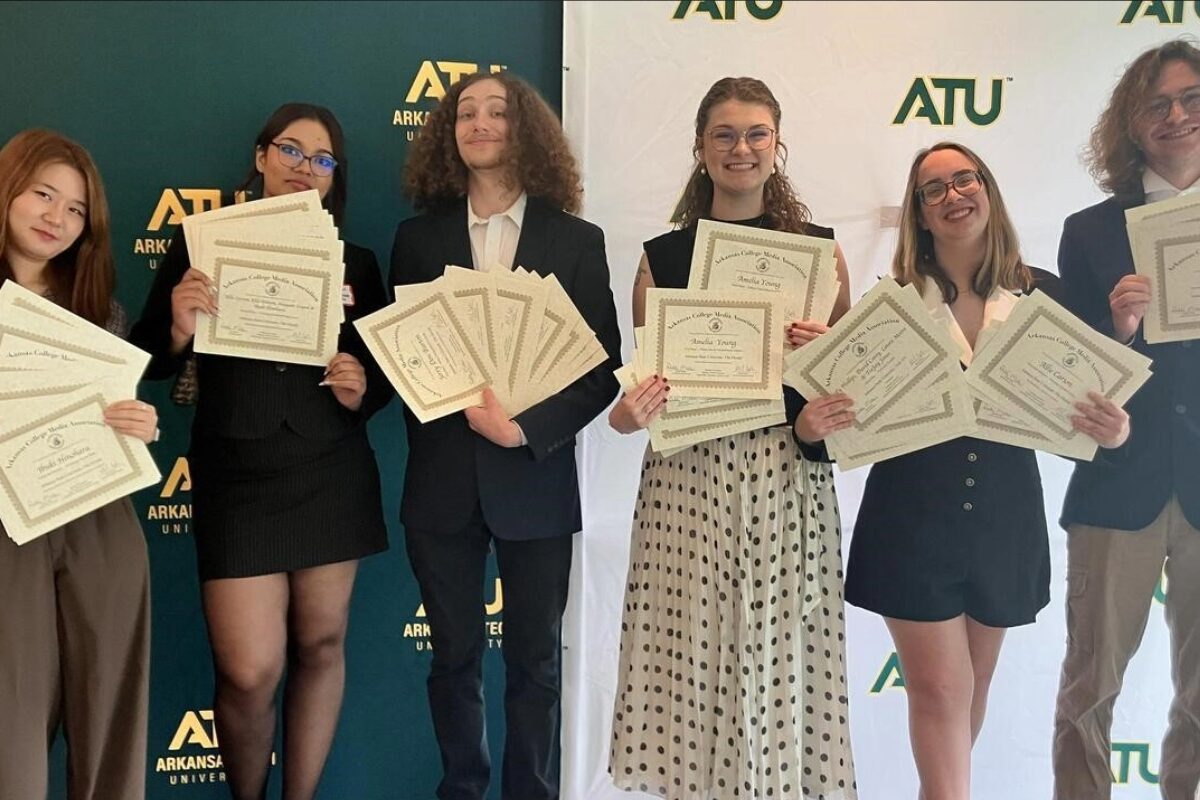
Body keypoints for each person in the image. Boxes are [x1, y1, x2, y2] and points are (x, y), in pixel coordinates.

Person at [840, 141, 1130, 800]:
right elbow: (846, 419)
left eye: (964, 180)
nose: (953, 196)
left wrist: (1113, 431)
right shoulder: (894, 303)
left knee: (970, 688)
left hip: (1004, 521)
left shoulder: (1043, 294)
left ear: (988, 191)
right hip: (910, 521)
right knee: (941, 690)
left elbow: (1078, 419)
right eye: (933, 189)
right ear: (919, 213)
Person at [606, 76, 858, 800]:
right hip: (687, 479)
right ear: (700, 147)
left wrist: (823, 354)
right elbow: (642, 397)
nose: (740, 148)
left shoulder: (820, 255)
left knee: (779, 649)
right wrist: (630, 415)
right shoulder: (661, 259)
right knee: (692, 646)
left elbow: (846, 388)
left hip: (785, 474)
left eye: (755, 134)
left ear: (777, 145)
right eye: (724, 134)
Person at [130, 103, 389, 800]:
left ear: (335, 177)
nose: (305, 167)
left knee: (322, 645)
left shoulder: (359, 263)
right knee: (249, 672)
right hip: (237, 476)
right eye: (291, 150)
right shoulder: (201, 243)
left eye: (322, 159)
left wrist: (360, 386)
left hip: (331, 470)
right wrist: (177, 326)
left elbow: (388, 376)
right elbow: (148, 359)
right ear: (261, 156)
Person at [390, 71, 621, 800]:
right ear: (448, 133)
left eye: (497, 112)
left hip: (536, 481)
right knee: (452, 661)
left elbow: (601, 370)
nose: (480, 123)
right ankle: (461, 789)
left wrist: (522, 430)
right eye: (466, 113)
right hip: (441, 485)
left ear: (527, 131)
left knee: (536, 667)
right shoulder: (416, 239)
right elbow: (402, 358)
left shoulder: (576, 241)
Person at [1052, 39, 1200, 800]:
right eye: (1157, 104)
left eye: (1191, 98)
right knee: (1089, 693)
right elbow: (1064, 376)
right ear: (1131, 123)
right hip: (1116, 484)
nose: (1176, 116)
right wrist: (1117, 332)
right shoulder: (1090, 231)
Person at [0, 129, 158, 799]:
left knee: (111, 707)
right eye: (43, 195)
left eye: (75, 209)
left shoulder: (100, 311)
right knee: (11, 718)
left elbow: (113, 419)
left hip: (98, 516)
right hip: (8, 525)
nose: (56, 218)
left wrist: (139, 426)